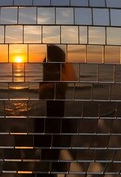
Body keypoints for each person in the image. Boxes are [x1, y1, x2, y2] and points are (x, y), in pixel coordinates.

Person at [35, 45, 77, 175]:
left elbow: (68, 82)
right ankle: (50, 160)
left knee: (54, 131)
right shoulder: (51, 66)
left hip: (57, 103)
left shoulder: (62, 66)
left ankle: (52, 160)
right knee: (52, 131)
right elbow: (43, 90)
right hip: (51, 104)